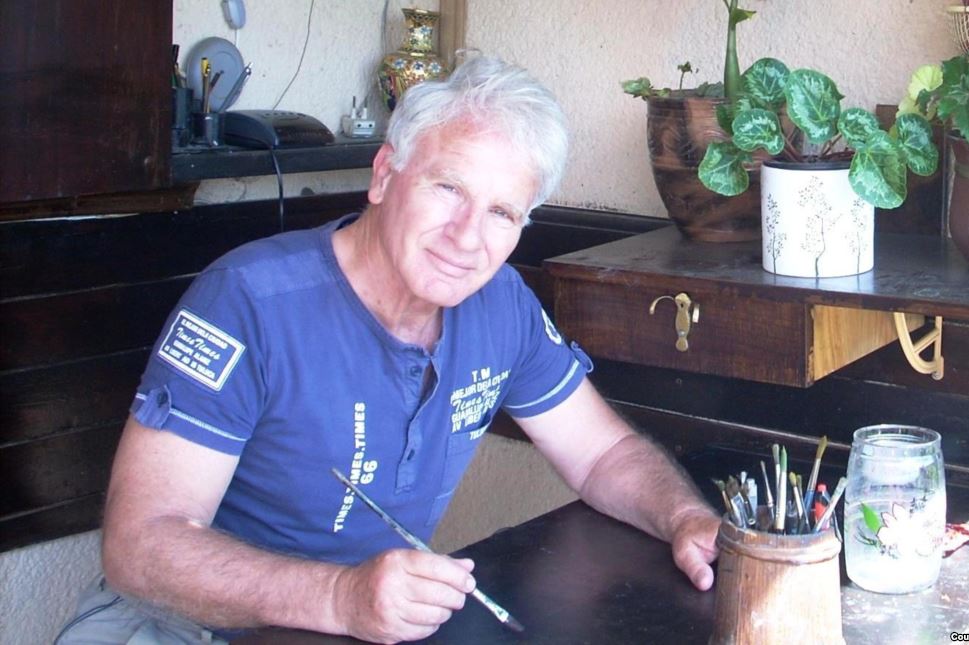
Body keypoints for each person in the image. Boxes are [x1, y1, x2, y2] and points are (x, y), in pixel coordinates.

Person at [57, 56, 721, 644]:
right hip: (179, 625)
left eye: (501, 213)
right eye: (448, 188)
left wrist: (685, 518)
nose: (467, 237)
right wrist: (339, 597)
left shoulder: (502, 305)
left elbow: (603, 455)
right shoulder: (246, 301)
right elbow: (141, 545)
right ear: (384, 175)